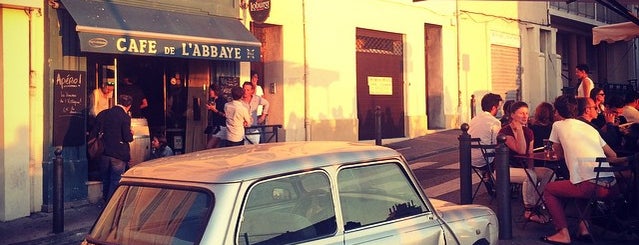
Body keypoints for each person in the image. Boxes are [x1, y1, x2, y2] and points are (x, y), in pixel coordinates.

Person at [541, 95, 620, 245]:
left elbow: (558, 155)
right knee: (577, 181)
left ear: (557, 111)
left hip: (590, 187)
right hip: (611, 186)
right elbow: (613, 155)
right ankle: (584, 229)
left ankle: (562, 233)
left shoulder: (557, 125)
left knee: (549, 189)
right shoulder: (589, 128)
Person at [499, 101, 555, 224]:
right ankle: (529, 210)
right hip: (506, 168)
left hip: (523, 168)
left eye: (527, 113)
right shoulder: (505, 131)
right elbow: (521, 149)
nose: (525, 116)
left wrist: (533, 166)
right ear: (512, 115)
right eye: (521, 113)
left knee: (549, 173)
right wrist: (519, 129)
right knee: (531, 175)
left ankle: (537, 203)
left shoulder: (529, 132)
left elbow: (529, 155)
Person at [95, 94, 134, 201]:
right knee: (115, 179)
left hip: (104, 152)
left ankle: (105, 200)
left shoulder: (105, 113)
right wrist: (131, 133)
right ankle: (110, 203)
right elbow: (127, 137)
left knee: (106, 179)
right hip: (118, 154)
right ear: (129, 106)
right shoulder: (125, 117)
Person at [467, 93, 503, 195]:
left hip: (469, 158)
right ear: (493, 108)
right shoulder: (495, 122)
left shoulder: (473, 120)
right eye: (498, 108)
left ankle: (488, 178)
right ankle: (501, 187)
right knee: (505, 156)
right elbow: (497, 143)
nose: (499, 110)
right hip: (485, 159)